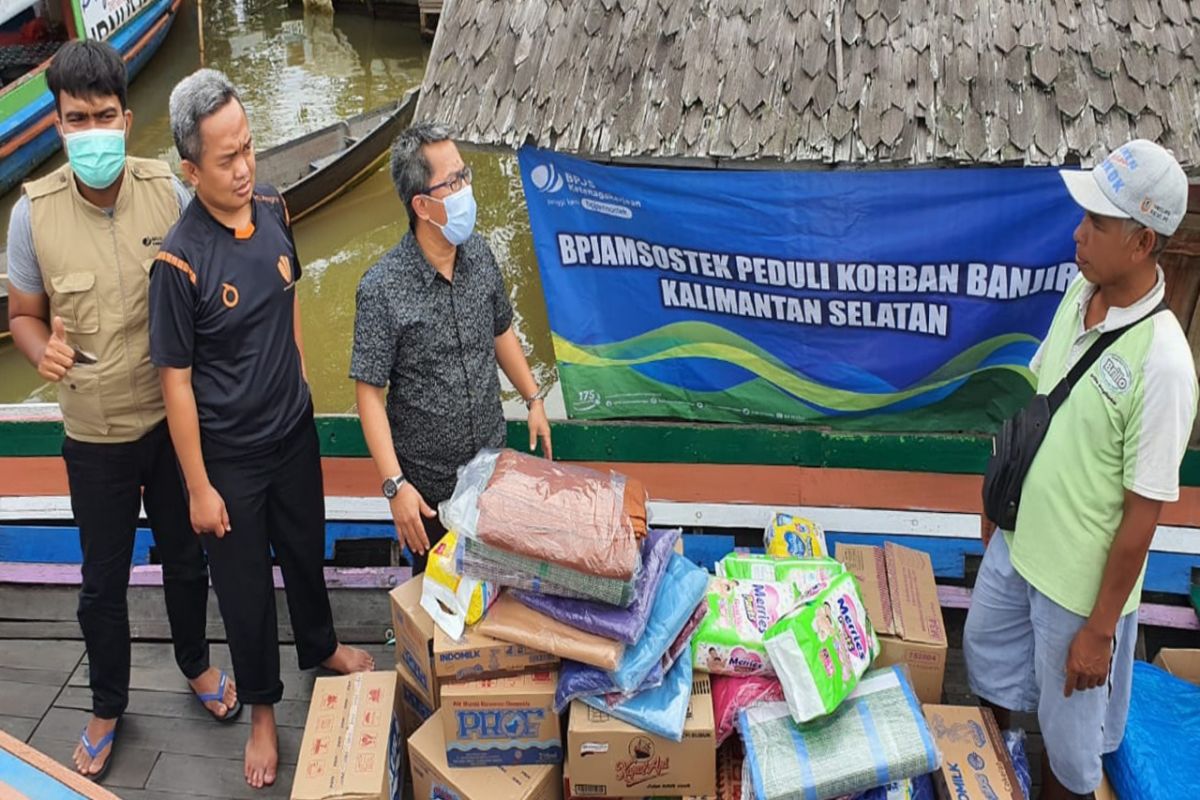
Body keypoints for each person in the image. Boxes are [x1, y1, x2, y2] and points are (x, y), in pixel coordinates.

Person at [4, 41, 237, 782]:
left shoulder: (165, 188)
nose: (92, 131)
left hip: (172, 427)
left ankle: (198, 666)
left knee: (186, 560)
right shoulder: (29, 215)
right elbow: (25, 317)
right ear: (57, 126)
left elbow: (206, 284)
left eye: (105, 116)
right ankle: (107, 704)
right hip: (94, 436)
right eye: (77, 119)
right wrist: (42, 352)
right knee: (101, 582)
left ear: (127, 120)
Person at [148, 68, 374, 789]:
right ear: (191, 169)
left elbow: (288, 294)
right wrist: (198, 487)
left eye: (248, 148)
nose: (245, 168)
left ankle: (323, 646)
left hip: (292, 432)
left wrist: (301, 372)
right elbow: (174, 383)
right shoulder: (178, 261)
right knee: (245, 592)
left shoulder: (275, 204)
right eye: (226, 158)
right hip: (230, 460)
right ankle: (265, 712)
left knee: (306, 552)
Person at [965, 139, 1198, 800]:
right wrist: (995, 509)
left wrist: (1099, 631)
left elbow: (1143, 514)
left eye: (1098, 222)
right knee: (985, 663)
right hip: (1017, 544)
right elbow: (1037, 402)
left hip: (1077, 587)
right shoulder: (1080, 290)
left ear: (1144, 243)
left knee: (1070, 746)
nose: (1078, 234)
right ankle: (984, 778)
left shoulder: (1165, 365)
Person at [350, 122, 552, 572]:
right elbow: (368, 394)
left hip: (492, 476)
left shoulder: (479, 254)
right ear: (421, 204)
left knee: (496, 595)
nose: (466, 189)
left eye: (465, 175)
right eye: (453, 181)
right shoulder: (382, 289)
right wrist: (395, 486)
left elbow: (501, 331)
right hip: (428, 495)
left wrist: (533, 398)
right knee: (439, 617)